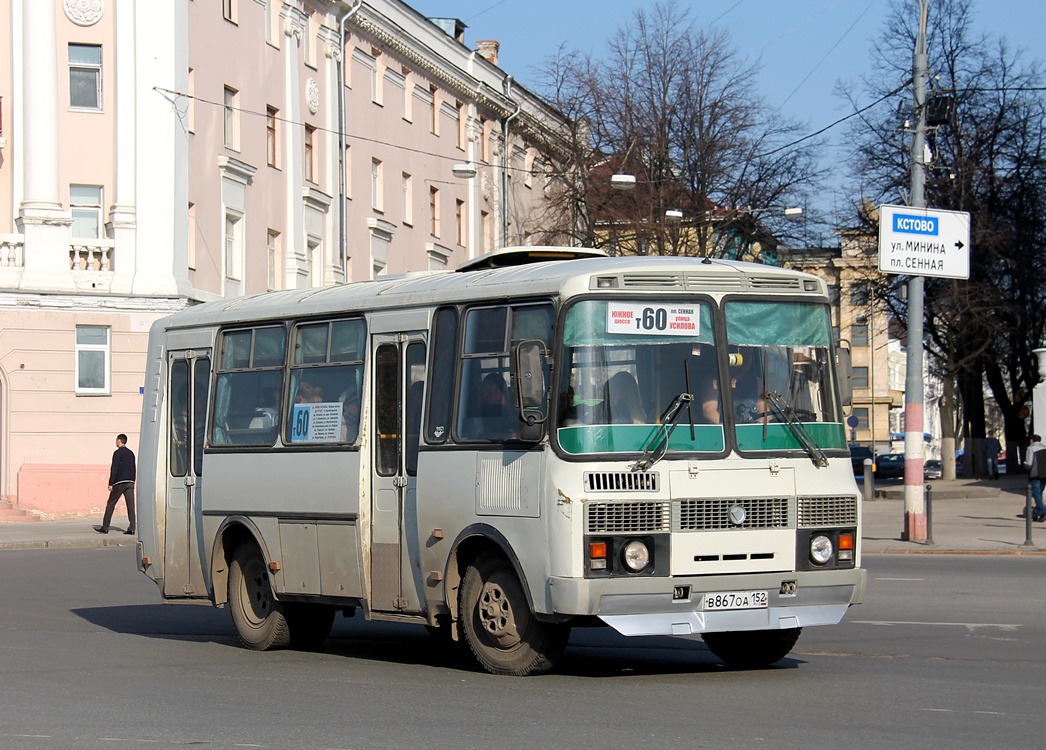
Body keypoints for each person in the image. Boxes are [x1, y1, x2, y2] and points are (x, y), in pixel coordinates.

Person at [97, 434, 137, 535]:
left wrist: (111, 483)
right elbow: (134, 468)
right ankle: (132, 528)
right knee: (131, 505)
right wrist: (132, 480)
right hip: (130, 482)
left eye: (116, 440)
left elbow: (114, 468)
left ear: (119, 440)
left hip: (119, 482)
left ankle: (105, 527)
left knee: (111, 504)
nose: (115, 442)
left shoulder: (118, 453)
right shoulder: (131, 453)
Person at [1022, 434, 1046, 522]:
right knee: (1039, 492)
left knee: (1036, 493)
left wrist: (1024, 465)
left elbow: (1029, 463)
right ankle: (1036, 512)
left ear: (1032, 440)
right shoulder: (1044, 447)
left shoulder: (1030, 448)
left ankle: (1042, 511)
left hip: (1035, 474)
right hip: (1045, 473)